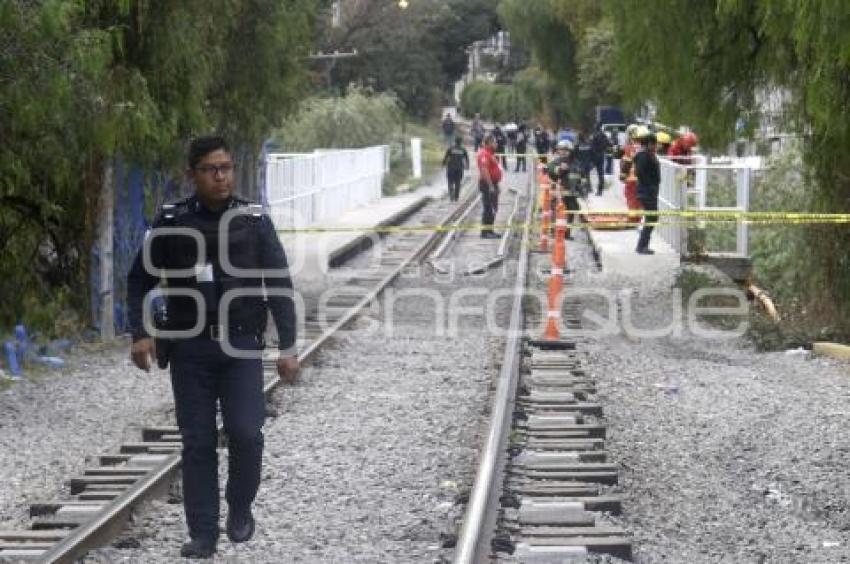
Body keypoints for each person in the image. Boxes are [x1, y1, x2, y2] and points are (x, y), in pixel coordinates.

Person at [127, 135, 299, 559]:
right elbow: (138, 279)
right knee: (198, 442)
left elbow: (278, 282)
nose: (220, 177)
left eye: (226, 168)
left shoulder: (253, 220)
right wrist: (140, 333)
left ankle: (239, 505)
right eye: (210, 169)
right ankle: (203, 532)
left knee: (247, 433)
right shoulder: (172, 221)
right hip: (190, 347)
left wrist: (288, 346)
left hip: (241, 344)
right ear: (193, 175)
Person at [546, 139, 580, 240]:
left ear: (570, 151)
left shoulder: (575, 163)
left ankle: (567, 233)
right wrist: (560, 169)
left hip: (572, 195)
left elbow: (579, 176)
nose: (563, 152)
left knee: (571, 213)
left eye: (566, 150)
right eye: (561, 150)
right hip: (559, 194)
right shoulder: (555, 162)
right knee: (557, 212)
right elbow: (552, 171)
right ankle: (555, 232)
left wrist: (583, 187)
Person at [634, 133, 661, 254]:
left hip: (649, 191)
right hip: (647, 192)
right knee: (652, 217)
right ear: (648, 144)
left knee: (652, 217)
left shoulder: (648, 154)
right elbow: (640, 173)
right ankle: (642, 246)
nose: (656, 146)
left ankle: (643, 245)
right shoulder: (643, 156)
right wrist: (650, 186)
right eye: (654, 144)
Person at [476, 133, 502, 238]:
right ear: (490, 143)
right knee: (488, 208)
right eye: (495, 142)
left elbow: (493, 169)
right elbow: (484, 170)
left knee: (493, 208)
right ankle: (485, 232)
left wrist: (496, 185)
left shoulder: (490, 153)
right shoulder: (484, 154)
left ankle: (490, 230)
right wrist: (491, 186)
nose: (497, 144)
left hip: (493, 183)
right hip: (487, 184)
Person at [442, 136, 470, 202]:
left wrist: (443, 164)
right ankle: (456, 197)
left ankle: (451, 196)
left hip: (451, 168)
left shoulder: (450, 148)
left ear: (455, 141)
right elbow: (467, 159)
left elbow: (446, 157)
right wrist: (467, 166)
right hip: (459, 168)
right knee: (458, 183)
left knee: (450, 182)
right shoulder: (463, 150)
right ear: (461, 142)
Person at [590, 125, 611, 195]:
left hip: (595, 155)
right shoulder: (604, 136)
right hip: (602, 155)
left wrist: (592, 156)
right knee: (600, 174)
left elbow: (592, 146)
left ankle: (587, 188)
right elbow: (609, 144)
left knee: (586, 171)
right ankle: (600, 191)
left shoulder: (594, 136)